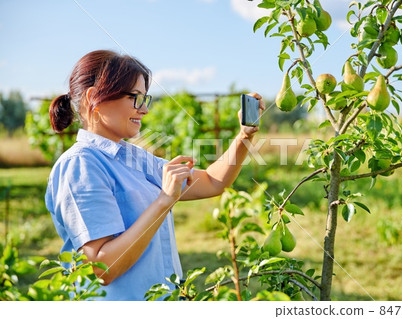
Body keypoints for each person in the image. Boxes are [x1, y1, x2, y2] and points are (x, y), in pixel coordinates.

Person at [45, 49, 264, 300]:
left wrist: (244, 136)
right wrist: (164, 200)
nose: (144, 110)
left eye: (145, 99)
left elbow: (214, 182)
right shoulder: (80, 166)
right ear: (94, 97)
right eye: (135, 98)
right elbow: (103, 268)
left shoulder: (133, 157)